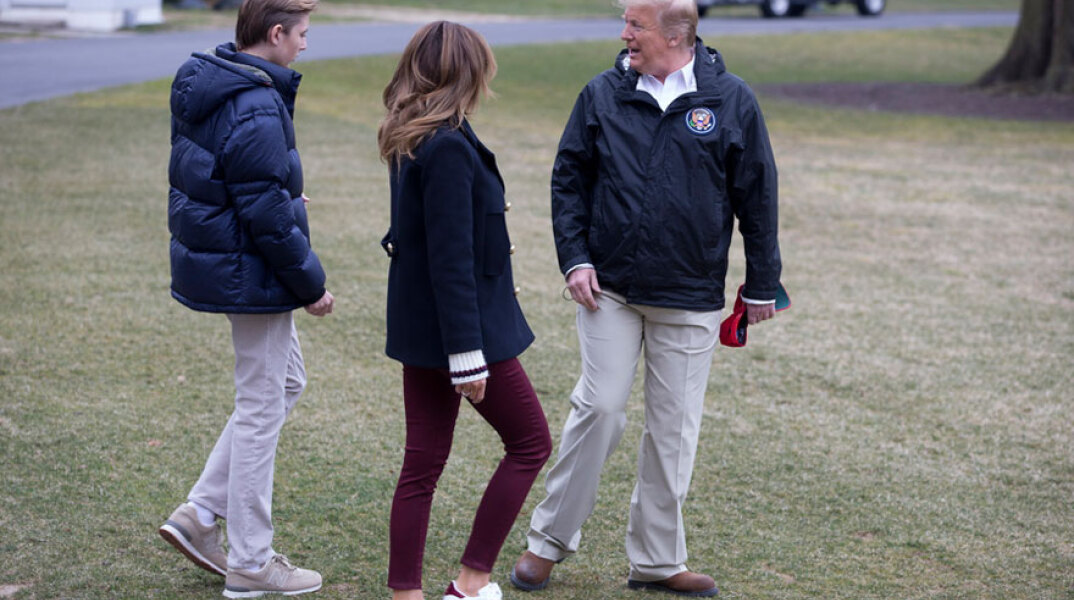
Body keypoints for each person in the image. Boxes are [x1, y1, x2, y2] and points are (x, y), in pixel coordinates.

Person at [510, 0, 782, 596]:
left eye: (636, 24)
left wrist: (763, 283)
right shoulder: (601, 93)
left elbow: (757, 195)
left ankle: (658, 561)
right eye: (625, 22)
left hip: (690, 293)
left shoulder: (731, 100)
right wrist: (575, 259)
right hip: (609, 288)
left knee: (674, 429)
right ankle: (547, 544)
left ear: (675, 35)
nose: (624, 34)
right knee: (601, 408)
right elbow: (569, 179)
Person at [158, 0, 334, 596]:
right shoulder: (255, 101)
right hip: (249, 270)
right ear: (276, 33)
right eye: (303, 34)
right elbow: (262, 211)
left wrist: (281, 199)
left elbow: (229, 180)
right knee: (262, 405)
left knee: (286, 383)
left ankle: (200, 512)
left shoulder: (217, 81)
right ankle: (251, 562)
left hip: (232, 262)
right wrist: (311, 285)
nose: (306, 46)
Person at [377, 21, 553, 600]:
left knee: (421, 466)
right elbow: (451, 259)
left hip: (425, 331)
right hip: (463, 333)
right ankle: (471, 583)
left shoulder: (414, 133)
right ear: (466, 72)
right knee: (530, 444)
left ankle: (407, 593)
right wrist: (468, 356)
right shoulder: (446, 145)